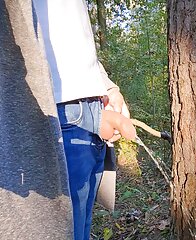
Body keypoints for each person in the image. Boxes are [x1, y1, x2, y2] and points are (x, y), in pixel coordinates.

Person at [32, 1, 135, 239]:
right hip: (55, 112)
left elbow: (73, 38)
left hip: (92, 106)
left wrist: (108, 87)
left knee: (81, 227)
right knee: (61, 230)